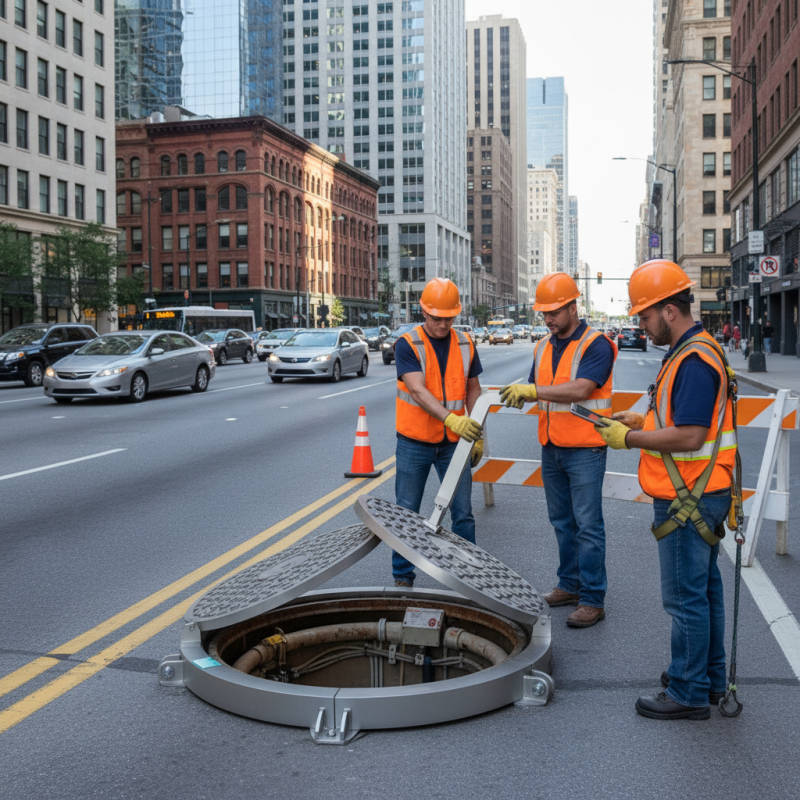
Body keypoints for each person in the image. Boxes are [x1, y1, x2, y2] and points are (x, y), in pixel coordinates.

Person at [595, 259, 736, 721]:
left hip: (688, 495)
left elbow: (691, 436)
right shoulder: (695, 350)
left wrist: (630, 438)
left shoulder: (692, 360)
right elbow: (684, 420)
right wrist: (642, 420)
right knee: (704, 591)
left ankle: (688, 691)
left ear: (669, 311)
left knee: (684, 597)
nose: (641, 324)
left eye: (645, 315)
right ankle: (709, 679)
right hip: (703, 491)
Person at [499, 273, 617, 628]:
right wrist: (522, 394)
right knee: (562, 522)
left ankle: (592, 599)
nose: (547, 319)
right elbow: (537, 388)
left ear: (573, 307)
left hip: (585, 449)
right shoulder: (542, 346)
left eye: (553, 312)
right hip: (552, 446)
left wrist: (532, 392)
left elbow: (581, 389)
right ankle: (569, 585)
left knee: (588, 525)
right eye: (544, 313)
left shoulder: (597, 344)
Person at [392, 277, 483, 587]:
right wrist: (451, 420)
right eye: (437, 318)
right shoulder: (407, 344)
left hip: (455, 443)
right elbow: (417, 390)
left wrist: (479, 433)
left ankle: (468, 574)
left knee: (463, 512)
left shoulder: (466, 343)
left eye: (449, 318)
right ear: (424, 312)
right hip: (414, 441)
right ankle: (403, 576)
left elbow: (474, 388)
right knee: (407, 512)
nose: (443, 324)